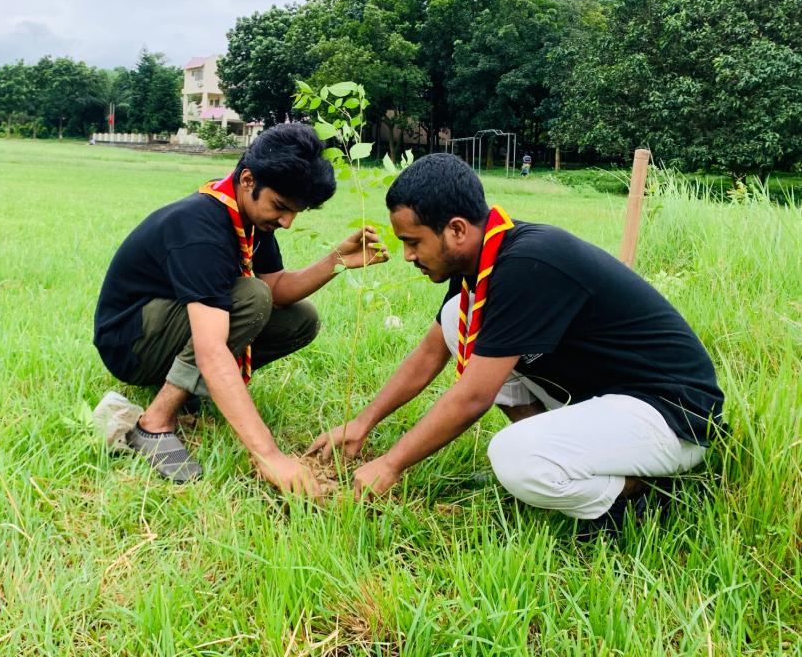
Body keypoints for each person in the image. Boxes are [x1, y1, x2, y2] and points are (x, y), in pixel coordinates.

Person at [308, 154, 723, 537]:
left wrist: (390, 464)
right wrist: (362, 423)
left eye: (413, 241)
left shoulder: (529, 264)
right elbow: (431, 352)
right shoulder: (483, 257)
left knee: (514, 457)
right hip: (609, 400)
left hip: (672, 416)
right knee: (459, 319)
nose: (406, 255)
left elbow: (472, 397)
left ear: (456, 230)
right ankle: (564, 461)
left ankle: (633, 497)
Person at [94, 123, 388, 495]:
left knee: (301, 319)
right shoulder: (201, 226)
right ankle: (154, 422)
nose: (286, 222)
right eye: (280, 207)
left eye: (295, 212)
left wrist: (336, 260)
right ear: (248, 179)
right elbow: (213, 346)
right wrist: (270, 455)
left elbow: (279, 289)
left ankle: (188, 393)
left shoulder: (247, 216)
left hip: (165, 327)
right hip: (131, 343)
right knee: (251, 297)